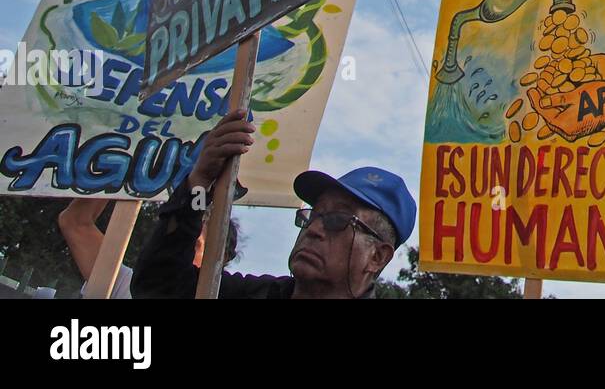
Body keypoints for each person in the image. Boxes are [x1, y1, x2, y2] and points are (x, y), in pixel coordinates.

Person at [131, 110, 415, 299]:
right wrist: (199, 183)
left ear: (377, 256)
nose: (314, 229)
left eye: (337, 220)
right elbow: (159, 286)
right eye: (312, 216)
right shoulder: (258, 294)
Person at [58, 195, 238, 299]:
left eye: (194, 245)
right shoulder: (125, 285)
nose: (178, 250)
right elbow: (76, 222)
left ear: (217, 262)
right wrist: (124, 166)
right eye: (175, 240)